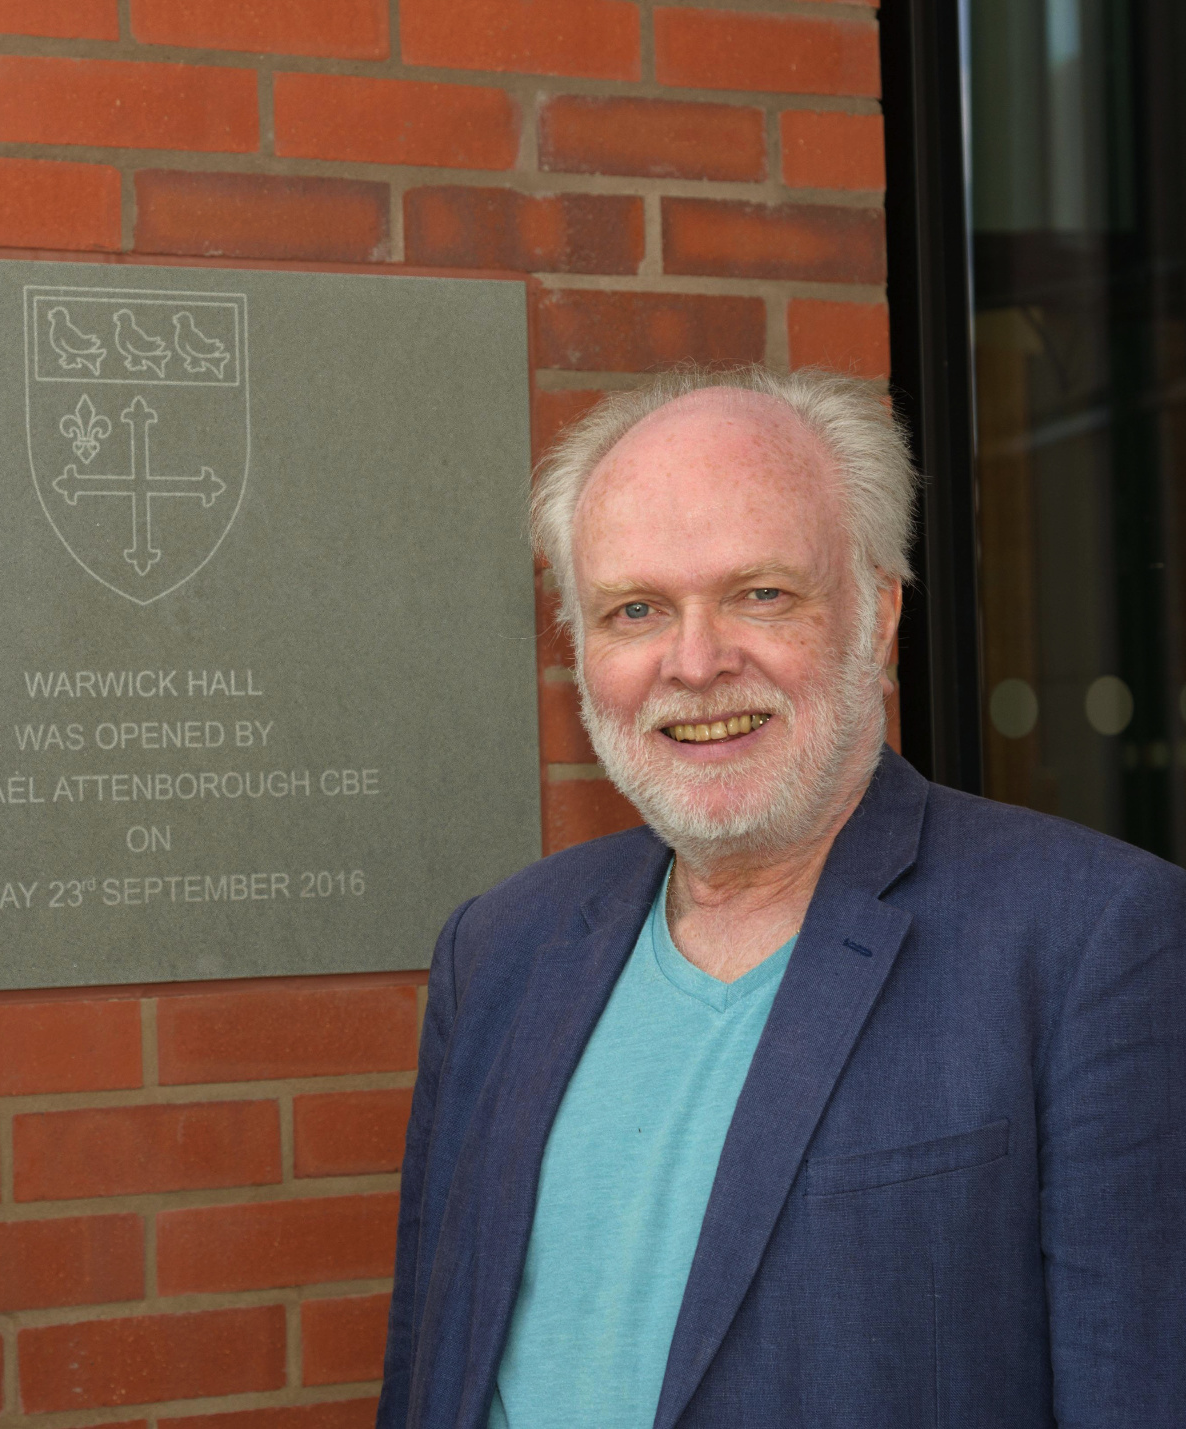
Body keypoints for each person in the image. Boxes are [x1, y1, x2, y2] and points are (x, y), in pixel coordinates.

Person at [378, 368, 1186, 1428]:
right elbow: (428, 1364)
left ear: (878, 615)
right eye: (635, 609)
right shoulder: (498, 948)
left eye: (759, 594)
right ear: (578, 648)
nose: (695, 662)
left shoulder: (1092, 940)